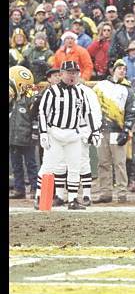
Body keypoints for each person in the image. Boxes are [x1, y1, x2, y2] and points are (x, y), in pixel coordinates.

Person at [35, 60, 101, 210]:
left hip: (73, 133)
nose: (73, 76)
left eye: (75, 73)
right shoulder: (52, 91)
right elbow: (43, 113)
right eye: (69, 72)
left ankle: (72, 200)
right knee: (48, 166)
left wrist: (94, 131)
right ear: (61, 74)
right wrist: (43, 132)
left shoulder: (80, 92)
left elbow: (87, 113)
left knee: (74, 167)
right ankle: (39, 196)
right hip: (55, 133)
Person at [92, 59, 135, 204]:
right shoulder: (100, 86)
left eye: (124, 69)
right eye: (120, 68)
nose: (122, 71)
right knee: (103, 162)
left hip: (117, 130)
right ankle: (105, 192)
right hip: (102, 129)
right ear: (113, 70)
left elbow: (131, 112)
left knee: (119, 163)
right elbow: (92, 106)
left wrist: (126, 130)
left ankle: (122, 193)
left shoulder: (128, 90)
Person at [9, 66, 38, 199]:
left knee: (31, 164)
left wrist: (34, 134)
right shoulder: (11, 99)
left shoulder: (30, 97)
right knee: (16, 165)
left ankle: (34, 188)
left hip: (27, 137)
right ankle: (19, 188)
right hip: (13, 137)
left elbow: (35, 117)